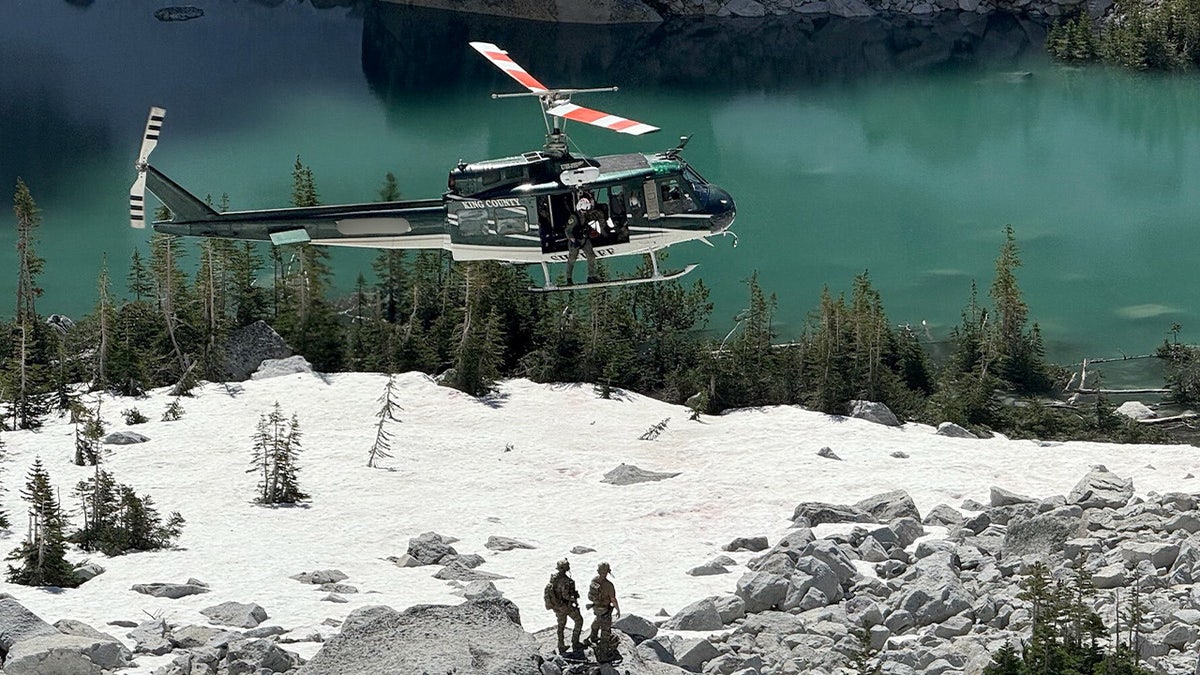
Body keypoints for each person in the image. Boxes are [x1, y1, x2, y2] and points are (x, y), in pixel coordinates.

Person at [545, 559, 584, 654]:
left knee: (561, 625)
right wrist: (573, 598)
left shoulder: (554, 578)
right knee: (579, 620)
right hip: (565, 606)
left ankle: (561, 645)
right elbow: (565, 595)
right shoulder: (566, 581)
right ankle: (575, 642)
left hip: (556, 605)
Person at [585, 561, 620, 658]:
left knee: (597, 621)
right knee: (605, 631)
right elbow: (613, 599)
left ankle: (593, 637)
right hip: (605, 610)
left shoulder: (594, 580)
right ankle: (603, 654)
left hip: (596, 608)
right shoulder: (609, 585)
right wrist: (618, 609)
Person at [566, 192, 598, 284]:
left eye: (586, 210)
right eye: (584, 210)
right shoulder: (574, 218)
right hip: (575, 240)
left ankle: (591, 276)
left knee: (591, 256)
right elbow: (568, 231)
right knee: (572, 259)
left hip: (584, 239)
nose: (585, 212)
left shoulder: (586, 215)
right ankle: (569, 278)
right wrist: (573, 240)